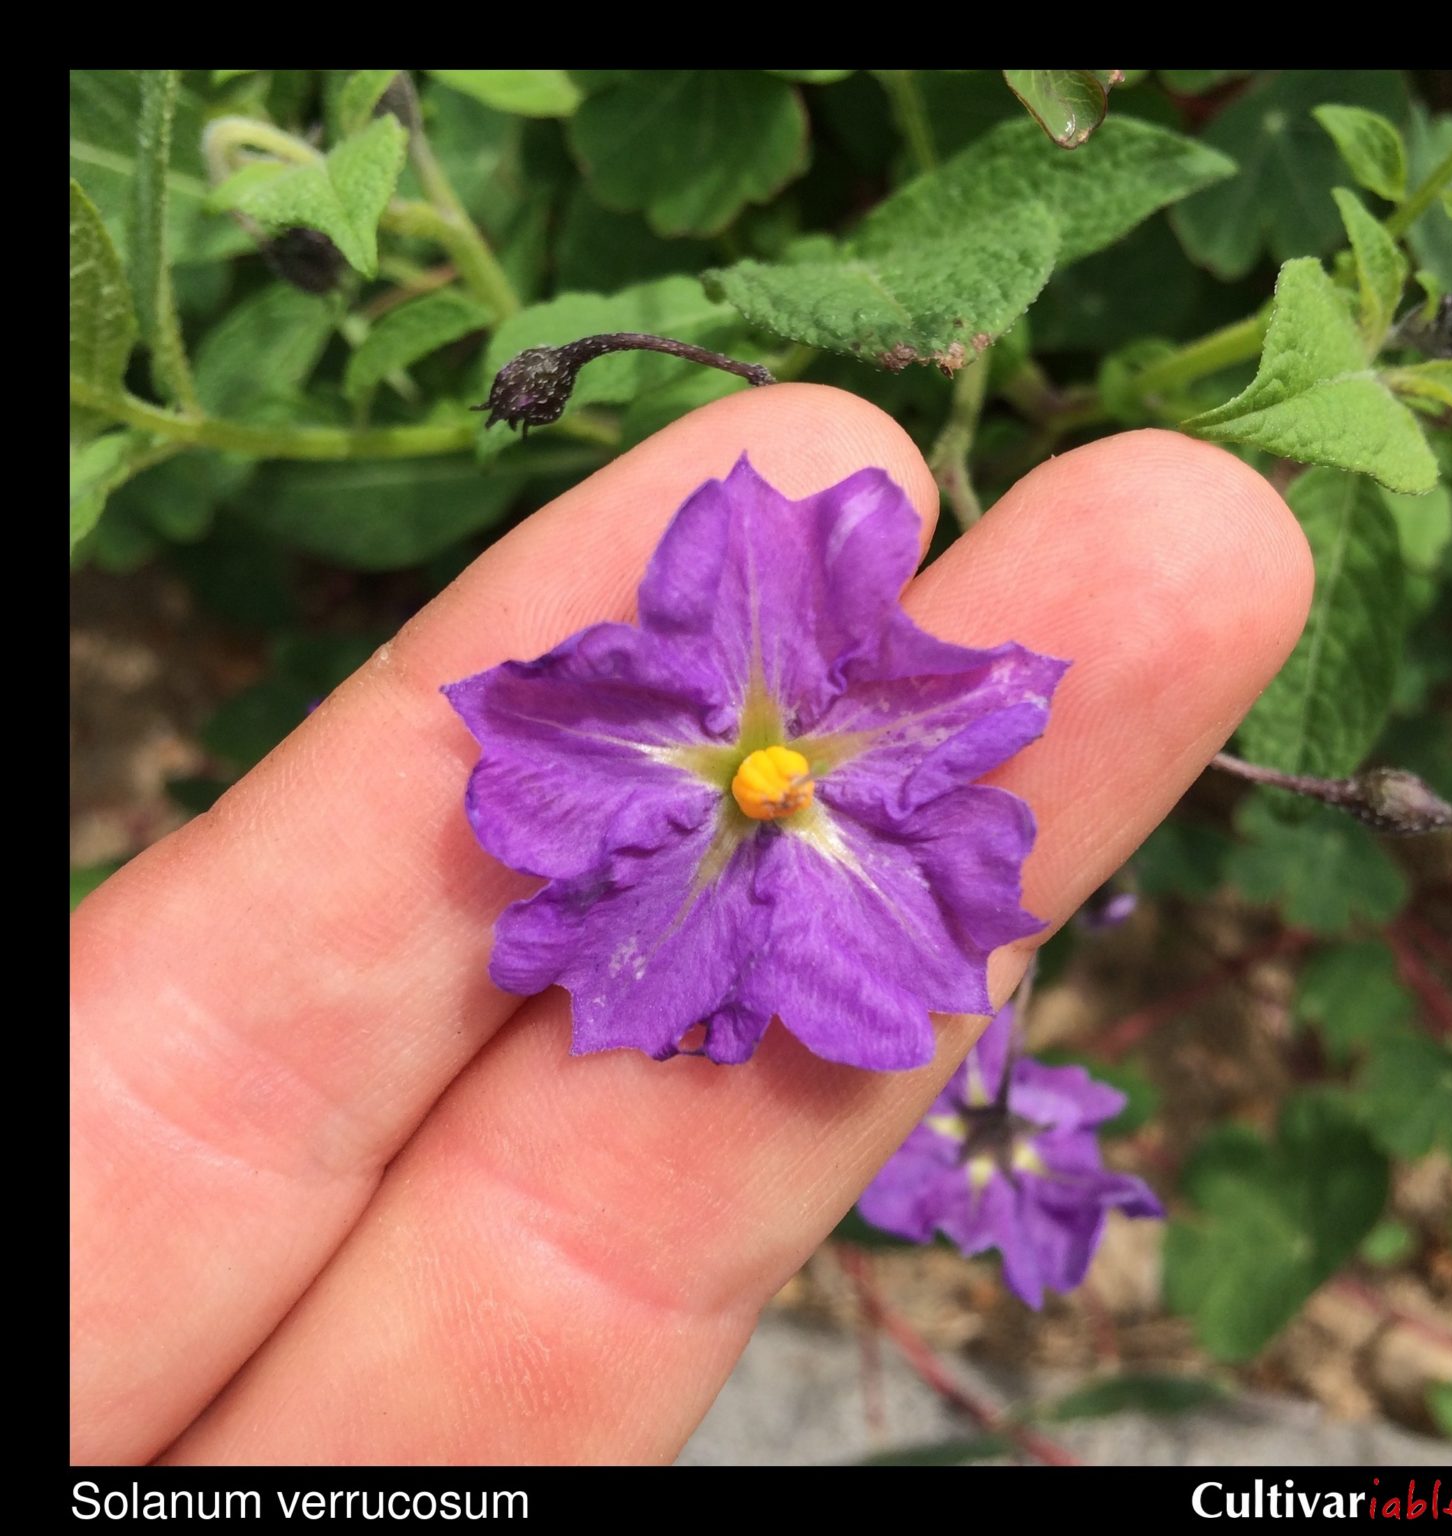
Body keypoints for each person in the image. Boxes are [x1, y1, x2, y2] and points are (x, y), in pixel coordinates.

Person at [70, 385, 1313, 1465]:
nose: (780, 782)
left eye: (787, 779)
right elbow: (544, 735)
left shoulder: (866, 743)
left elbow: (978, 696)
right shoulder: (712, 718)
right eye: (777, 776)